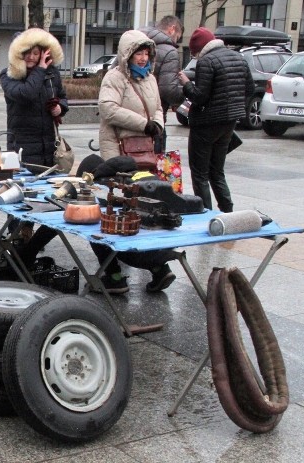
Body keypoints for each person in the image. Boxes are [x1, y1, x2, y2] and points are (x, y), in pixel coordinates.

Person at [94, 29, 176, 294]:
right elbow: (108, 109)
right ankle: (116, 272)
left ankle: (156, 267)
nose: (142, 58)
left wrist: (158, 125)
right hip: (117, 150)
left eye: (145, 53)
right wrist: (145, 124)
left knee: (140, 206)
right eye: (137, 53)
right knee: (115, 208)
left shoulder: (150, 78)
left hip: (145, 151)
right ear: (126, 54)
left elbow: (159, 108)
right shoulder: (114, 78)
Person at [0, 28, 68, 270]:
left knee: (50, 201)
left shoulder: (52, 75)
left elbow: (62, 97)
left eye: (36, 52)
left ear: (44, 52)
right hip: (20, 148)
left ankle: (30, 249)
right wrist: (39, 69)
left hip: (47, 146)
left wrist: (60, 108)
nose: (31, 57)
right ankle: (18, 248)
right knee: (19, 202)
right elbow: (26, 94)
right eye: (27, 52)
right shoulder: (8, 76)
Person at [178, 28, 253, 213]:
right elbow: (249, 89)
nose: (195, 56)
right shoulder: (238, 57)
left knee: (200, 173)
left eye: (194, 53)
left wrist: (186, 82)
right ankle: (228, 211)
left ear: (199, 48)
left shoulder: (207, 61)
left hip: (205, 124)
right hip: (229, 123)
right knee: (217, 171)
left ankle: (204, 213)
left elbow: (199, 96)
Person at [139, 15, 184, 153]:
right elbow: (168, 90)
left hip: (128, 120)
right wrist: (184, 92)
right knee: (152, 166)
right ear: (172, 29)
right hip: (154, 121)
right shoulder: (170, 51)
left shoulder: (134, 42)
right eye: (177, 37)